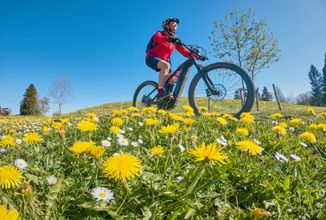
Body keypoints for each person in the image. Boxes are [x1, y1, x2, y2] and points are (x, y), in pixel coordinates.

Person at [145, 18, 200, 102]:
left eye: (176, 24)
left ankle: (166, 99)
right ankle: (160, 91)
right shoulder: (160, 33)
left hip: (165, 61)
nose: (175, 25)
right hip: (152, 57)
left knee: (173, 77)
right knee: (166, 65)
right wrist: (167, 38)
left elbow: (184, 52)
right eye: (173, 23)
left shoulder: (174, 40)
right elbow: (157, 38)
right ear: (166, 25)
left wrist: (195, 55)